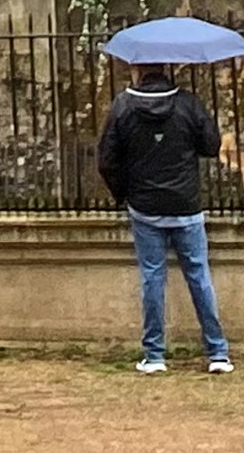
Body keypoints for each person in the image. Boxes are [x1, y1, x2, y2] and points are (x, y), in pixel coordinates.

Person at [95, 62, 229, 374]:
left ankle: (154, 355)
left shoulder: (123, 106)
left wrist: (123, 193)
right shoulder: (188, 103)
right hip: (186, 204)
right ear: (165, 68)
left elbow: (107, 160)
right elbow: (211, 145)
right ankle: (218, 353)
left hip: (145, 207)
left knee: (152, 278)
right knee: (199, 275)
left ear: (137, 69)